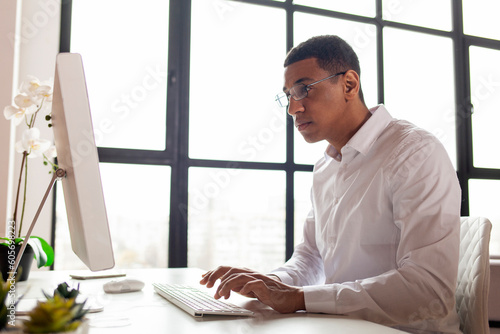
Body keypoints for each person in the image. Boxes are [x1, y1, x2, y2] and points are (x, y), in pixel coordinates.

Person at [200, 35, 461, 334]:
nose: (292, 109)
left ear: (349, 84)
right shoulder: (324, 167)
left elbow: (430, 289)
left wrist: (300, 298)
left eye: (303, 89)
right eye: (288, 95)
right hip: (341, 328)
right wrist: (269, 284)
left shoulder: (414, 153)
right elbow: (311, 258)